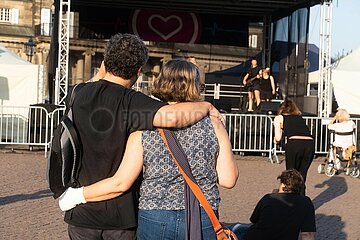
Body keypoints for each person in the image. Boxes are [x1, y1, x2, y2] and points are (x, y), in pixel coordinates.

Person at [58, 33, 224, 240]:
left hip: (81, 213)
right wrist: (206, 105)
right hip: (121, 214)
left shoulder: (78, 92)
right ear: (138, 72)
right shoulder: (134, 102)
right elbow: (173, 117)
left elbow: (96, 83)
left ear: (105, 63)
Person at [233, 169, 316, 240]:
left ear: (283, 184)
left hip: (257, 236)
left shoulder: (269, 198)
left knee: (235, 228)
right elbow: (307, 234)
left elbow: (254, 220)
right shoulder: (306, 202)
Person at [273, 99, 314, 195]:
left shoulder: (279, 118)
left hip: (294, 143)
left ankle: (290, 200)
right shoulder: (299, 117)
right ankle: (302, 200)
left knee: (290, 174)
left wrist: (275, 140)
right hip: (309, 144)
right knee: (302, 175)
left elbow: (278, 138)